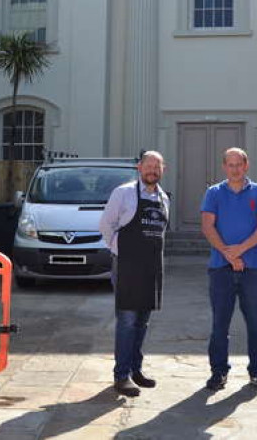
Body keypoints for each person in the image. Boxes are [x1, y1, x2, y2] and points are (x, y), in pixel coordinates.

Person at [200, 147, 257, 392]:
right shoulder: (213, 193)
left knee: (255, 323)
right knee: (220, 323)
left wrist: (238, 251)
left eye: (239, 164)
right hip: (220, 268)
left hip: (252, 268)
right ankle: (218, 373)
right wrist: (228, 254)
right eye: (230, 165)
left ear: (246, 165)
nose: (235, 169)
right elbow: (208, 227)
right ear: (224, 167)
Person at [99, 151, 169, 397]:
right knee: (127, 322)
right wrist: (119, 251)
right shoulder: (124, 193)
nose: (152, 170)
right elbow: (105, 225)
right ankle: (122, 376)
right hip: (127, 266)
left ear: (163, 170)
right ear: (139, 168)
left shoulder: (163, 198)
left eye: (156, 166)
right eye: (148, 165)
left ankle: (136, 370)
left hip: (151, 269)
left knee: (143, 322)